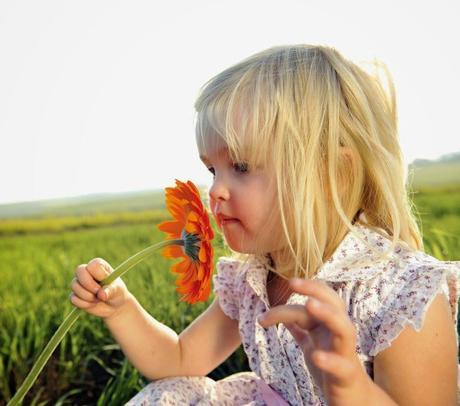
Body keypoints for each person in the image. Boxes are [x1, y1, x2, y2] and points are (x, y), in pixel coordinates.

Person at [70, 44, 459, 405]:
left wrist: (349, 387)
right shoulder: (253, 279)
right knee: (171, 392)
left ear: (332, 174)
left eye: (240, 166)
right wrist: (120, 310)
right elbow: (179, 359)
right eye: (211, 169)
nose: (216, 190)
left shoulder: (399, 293)